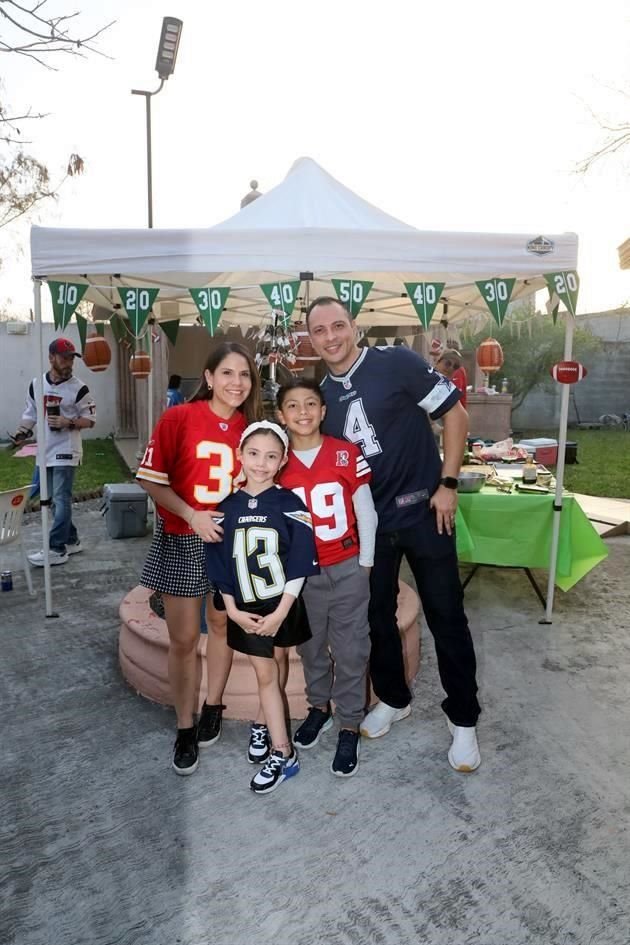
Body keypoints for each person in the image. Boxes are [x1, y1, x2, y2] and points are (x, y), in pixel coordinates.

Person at [306, 297, 481, 773]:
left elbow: (456, 414)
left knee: (446, 615)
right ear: (312, 338)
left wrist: (447, 484)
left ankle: (463, 719)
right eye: (320, 330)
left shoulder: (396, 362)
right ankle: (395, 698)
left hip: (425, 511)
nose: (331, 337)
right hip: (371, 527)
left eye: (338, 325)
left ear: (354, 327)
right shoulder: (322, 396)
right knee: (375, 617)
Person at [136, 342, 263, 777]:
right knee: (186, 638)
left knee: (223, 625)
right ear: (208, 377)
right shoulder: (179, 418)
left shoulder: (253, 430)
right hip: (185, 538)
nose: (236, 383)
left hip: (230, 543)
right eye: (227, 373)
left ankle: (214, 705)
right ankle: (185, 725)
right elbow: (151, 480)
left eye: (244, 375)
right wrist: (192, 514)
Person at [205, 421, 319, 794]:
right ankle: (284, 753)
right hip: (248, 610)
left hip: (281, 603)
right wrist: (233, 611)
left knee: (280, 663)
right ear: (240, 454)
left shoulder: (290, 504)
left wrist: (282, 611)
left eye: (271, 456)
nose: (261, 463)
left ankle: (263, 724)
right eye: (253, 454)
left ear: (283, 460)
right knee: (266, 675)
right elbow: (219, 564)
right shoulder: (226, 507)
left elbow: (301, 560)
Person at [276, 378, 377, 778]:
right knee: (311, 647)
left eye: (311, 404)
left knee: (352, 649)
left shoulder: (345, 453)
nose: (303, 412)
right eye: (293, 406)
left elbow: (365, 512)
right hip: (303, 575)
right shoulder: (278, 463)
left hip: (347, 564)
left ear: (323, 410)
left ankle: (349, 721)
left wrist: (365, 564)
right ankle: (319, 707)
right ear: (281, 415)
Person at [11, 337, 96, 566]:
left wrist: (68, 422)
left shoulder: (79, 388)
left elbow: (90, 420)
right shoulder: (37, 384)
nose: (69, 363)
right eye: (64, 358)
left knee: (60, 498)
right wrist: (22, 432)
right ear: (51, 358)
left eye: (71, 359)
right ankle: (72, 539)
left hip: (67, 450)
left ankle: (56, 548)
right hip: (44, 450)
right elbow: (30, 413)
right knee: (51, 498)